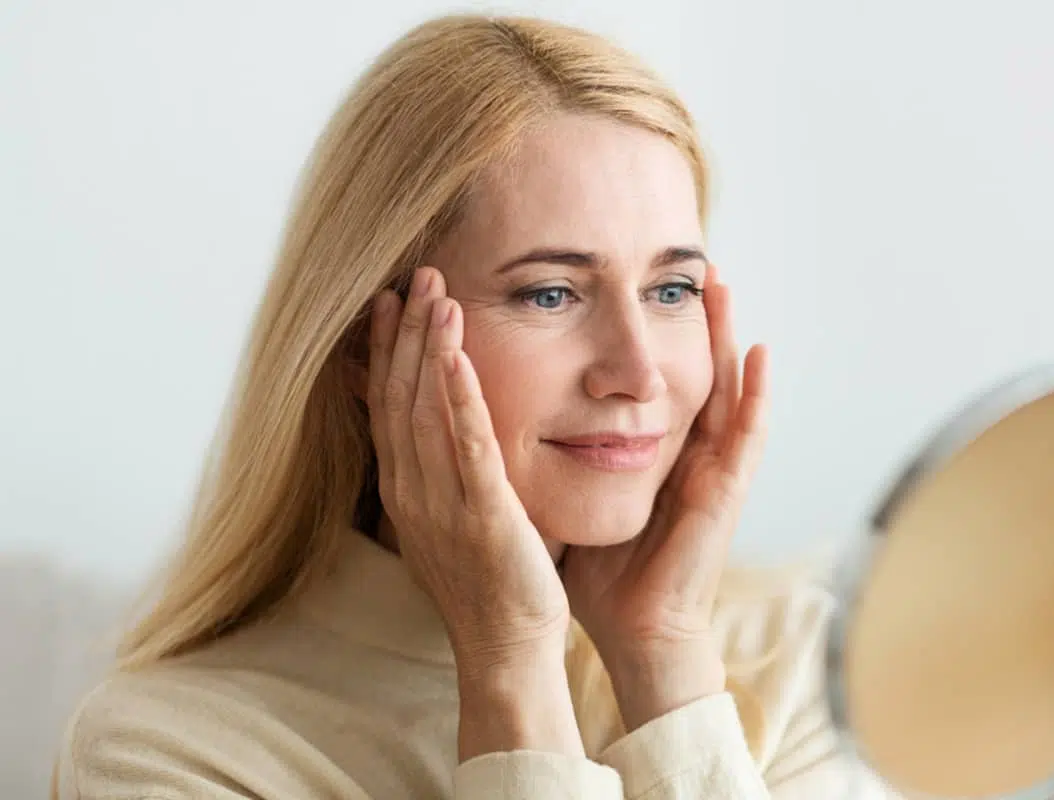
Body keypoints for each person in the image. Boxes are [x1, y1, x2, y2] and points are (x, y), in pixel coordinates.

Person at [55, 12, 898, 799]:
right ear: (363, 347)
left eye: (670, 287)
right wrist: (509, 667)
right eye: (550, 295)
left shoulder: (792, 665)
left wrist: (664, 661)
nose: (638, 373)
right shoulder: (165, 750)